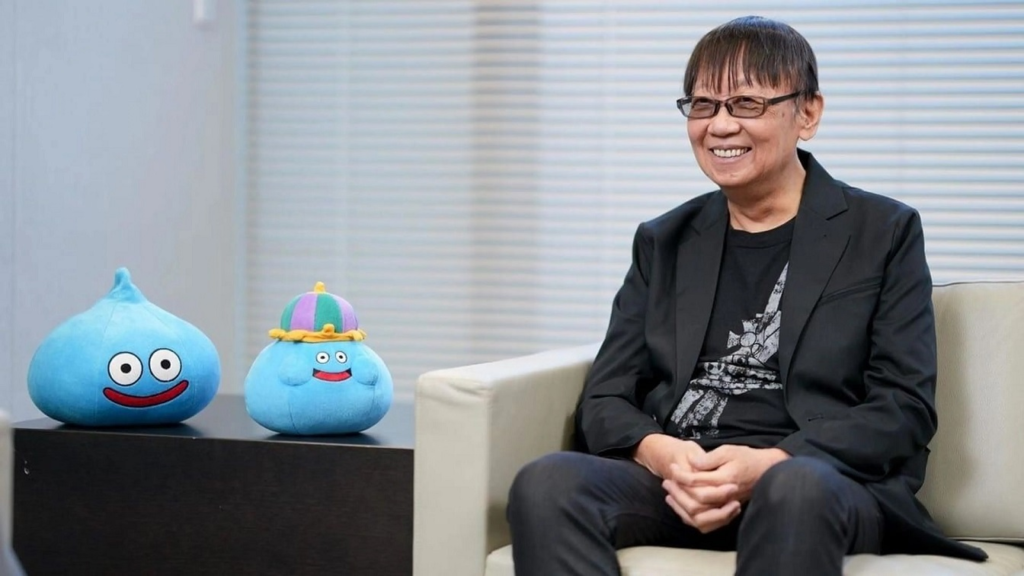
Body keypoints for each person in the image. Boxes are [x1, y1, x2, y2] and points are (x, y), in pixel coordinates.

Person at [506, 15, 987, 576]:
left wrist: (772, 462)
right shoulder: (664, 240)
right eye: (703, 105)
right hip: (683, 478)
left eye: (746, 104)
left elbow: (903, 407)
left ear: (808, 113)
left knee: (793, 488)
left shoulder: (883, 232)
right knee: (547, 483)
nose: (720, 125)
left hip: (816, 480)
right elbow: (605, 397)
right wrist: (663, 455)